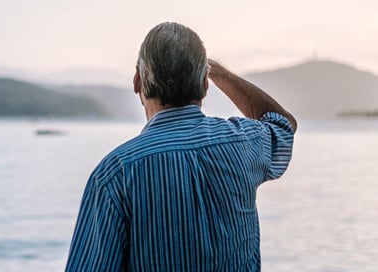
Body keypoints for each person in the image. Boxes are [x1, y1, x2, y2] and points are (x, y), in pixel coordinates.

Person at [65, 22, 297, 271]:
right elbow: (283, 124)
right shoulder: (245, 142)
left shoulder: (116, 174)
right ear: (205, 85)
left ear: (137, 81)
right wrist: (220, 73)